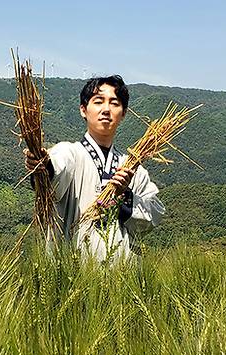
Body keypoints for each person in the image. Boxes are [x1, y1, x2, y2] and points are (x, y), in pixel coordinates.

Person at [24, 75, 164, 263]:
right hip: (71, 278)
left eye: (114, 103)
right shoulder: (70, 152)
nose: (106, 109)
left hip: (123, 281)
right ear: (83, 110)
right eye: (98, 102)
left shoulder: (134, 169)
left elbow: (153, 215)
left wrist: (126, 197)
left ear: (123, 113)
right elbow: (55, 170)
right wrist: (44, 167)